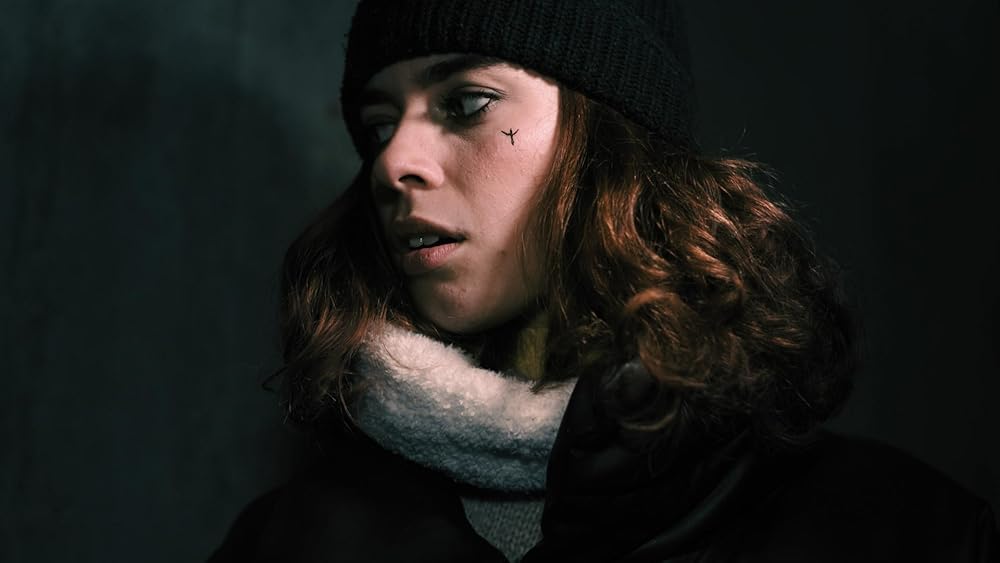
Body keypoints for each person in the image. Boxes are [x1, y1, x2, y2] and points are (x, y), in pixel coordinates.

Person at [209, 1, 998, 561]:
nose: (392, 161)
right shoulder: (286, 542)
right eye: (380, 123)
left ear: (608, 134)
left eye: (468, 102)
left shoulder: (903, 532)